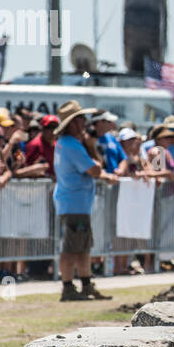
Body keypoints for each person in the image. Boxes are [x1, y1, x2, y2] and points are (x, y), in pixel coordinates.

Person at [51, 101, 117, 301]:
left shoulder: (66, 143)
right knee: (72, 246)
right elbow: (96, 170)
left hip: (74, 202)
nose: (84, 123)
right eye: (80, 119)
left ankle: (85, 284)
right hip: (74, 203)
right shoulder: (72, 145)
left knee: (81, 245)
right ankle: (69, 287)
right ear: (72, 123)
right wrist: (91, 148)